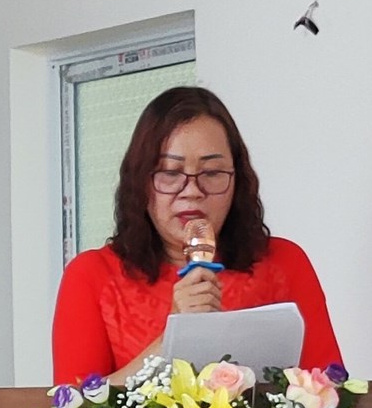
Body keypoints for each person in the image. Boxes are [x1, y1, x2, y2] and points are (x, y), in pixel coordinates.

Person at [52, 85, 342, 383]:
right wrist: (174, 338)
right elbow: (74, 406)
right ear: (139, 182)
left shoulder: (284, 262)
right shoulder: (92, 275)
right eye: (170, 173)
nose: (192, 191)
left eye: (212, 173)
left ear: (238, 181)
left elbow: (332, 390)